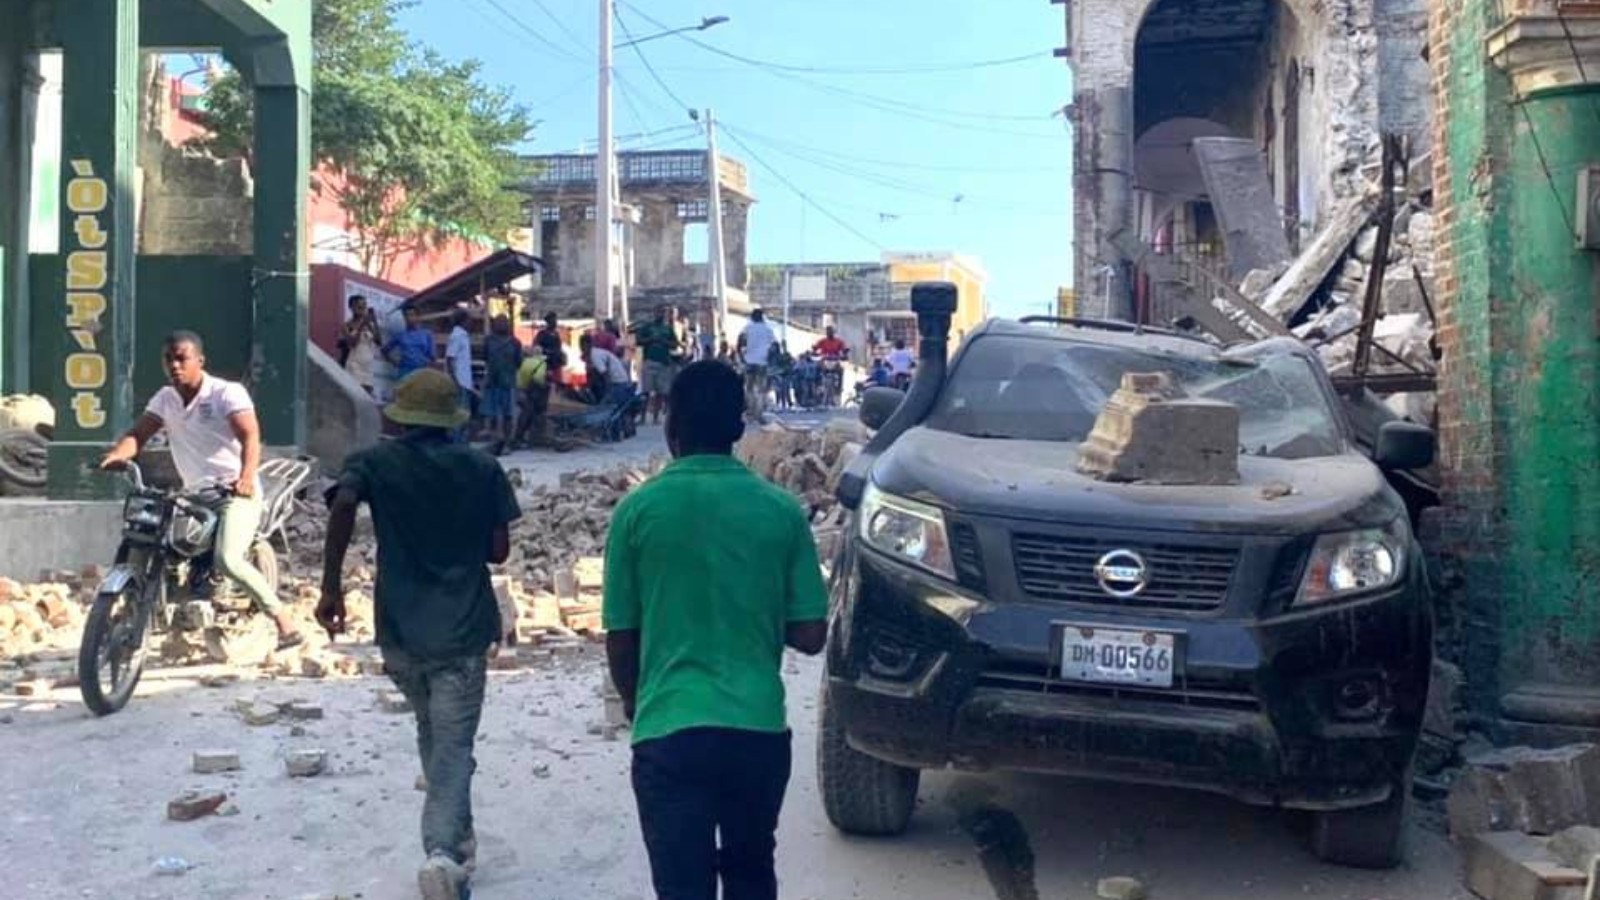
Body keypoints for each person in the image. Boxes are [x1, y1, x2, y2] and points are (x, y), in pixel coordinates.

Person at [603, 361, 827, 900]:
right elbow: (811, 634)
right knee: (751, 874)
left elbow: (621, 637)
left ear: (672, 426)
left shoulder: (636, 513)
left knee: (683, 886)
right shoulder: (781, 512)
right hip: (756, 730)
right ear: (738, 429)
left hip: (668, 731)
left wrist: (639, 705)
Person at [318, 369, 520, 900]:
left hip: (401, 629)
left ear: (401, 415)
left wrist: (331, 588)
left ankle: (460, 835)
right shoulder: (481, 467)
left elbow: (341, 506)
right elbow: (498, 552)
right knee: (452, 744)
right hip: (463, 628)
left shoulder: (373, 463)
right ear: (452, 418)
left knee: (434, 735)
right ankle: (443, 854)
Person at [99, 331, 302, 649]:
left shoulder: (226, 393)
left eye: (182, 358)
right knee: (144, 540)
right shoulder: (165, 398)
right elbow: (138, 434)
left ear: (200, 361)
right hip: (192, 493)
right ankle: (128, 611)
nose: (175, 365)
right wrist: (117, 455)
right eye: (169, 359)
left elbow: (250, 436)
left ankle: (283, 621)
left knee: (227, 558)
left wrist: (246, 477)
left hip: (233, 493)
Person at [481, 315, 522, 451]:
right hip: (493, 382)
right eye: (499, 322)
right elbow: (485, 357)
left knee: (508, 414)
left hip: (509, 382)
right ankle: (496, 442)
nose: (502, 325)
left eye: (504, 322)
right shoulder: (488, 341)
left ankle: (508, 442)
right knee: (493, 413)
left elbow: (519, 362)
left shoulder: (515, 342)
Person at [634, 306, 681, 425]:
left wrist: (664, 342)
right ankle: (643, 417)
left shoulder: (668, 329)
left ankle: (656, 417)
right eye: (658, 312)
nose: (660, 314)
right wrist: (651, 339)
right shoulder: (647, 327)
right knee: (646, 391)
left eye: (663, 313)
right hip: (649, 362)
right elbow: (638, 341)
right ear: (654, 313)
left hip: (663, 363)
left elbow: (675, 344)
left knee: (661, 392)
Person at [505, 350, 550, 453]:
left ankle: (520, 437)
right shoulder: (541, 364)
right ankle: (523, 438)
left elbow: (519, 377)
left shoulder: (525, 362)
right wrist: (544, 384)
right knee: (530, 415)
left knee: (524, 414)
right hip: (532, 393)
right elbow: (538, 378)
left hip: (520, 391)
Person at [737, 309, 778, 420]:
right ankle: (759, 413)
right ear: (762, 317)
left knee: (749, 388)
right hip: (762, 363)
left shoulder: (747, 329)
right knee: (761, 389)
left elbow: (739, 344)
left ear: (752, 318)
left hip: (749, 362)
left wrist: (742, 358)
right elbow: (775, 346)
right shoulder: (769, 330)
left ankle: (751, 410)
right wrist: (771, 360)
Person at [444, 309, 475, 440]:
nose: (471, 323)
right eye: (469, 320)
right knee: (459, 415)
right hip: (459, 382)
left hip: (465, 382)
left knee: (465, 416)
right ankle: (455, 443)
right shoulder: (457, 336)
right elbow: (450, 359)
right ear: (463, 321)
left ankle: (461, 442)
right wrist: (454, 380)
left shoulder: (464, 336)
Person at [341, 295, 381, 395]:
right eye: (359, 306)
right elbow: (352, 343)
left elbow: (379, 341)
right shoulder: (347, 325)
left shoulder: (369, 324)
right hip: (354, 367)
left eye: (364, 306)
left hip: (368, 368)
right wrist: (363, 323)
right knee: (354, 397)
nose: (363, 309)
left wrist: (374, 321)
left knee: (367, 399)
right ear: (352, 308)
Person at [385, 306, 436, 382]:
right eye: (406, 315)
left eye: (411, 315)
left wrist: (426, 365)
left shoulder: (426, 334)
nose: (409, 318)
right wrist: (394, 362)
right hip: (405, 371)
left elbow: (432, 356)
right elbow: (384, 350)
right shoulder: (401, 335)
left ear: (417, 317)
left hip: (421, 372)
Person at [583, 332, 634, 407]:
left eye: (583, 346)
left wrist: (608, 392)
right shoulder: (596, 352)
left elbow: (605, 374)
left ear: (586, 345)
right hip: (620, 382)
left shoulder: (594, 355)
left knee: (603, 408)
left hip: (618, 384)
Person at [535, 312, 567, 393]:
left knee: (557, 386)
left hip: (556, 364)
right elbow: (537, 347)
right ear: (548, 322)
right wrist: (547, 352)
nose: (555, 322)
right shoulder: (542, 334)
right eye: (553, 320)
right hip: (546, 364)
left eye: (555, 320)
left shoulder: (556, 334)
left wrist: (562, 355)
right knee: (547, 386)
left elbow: (559, 347)